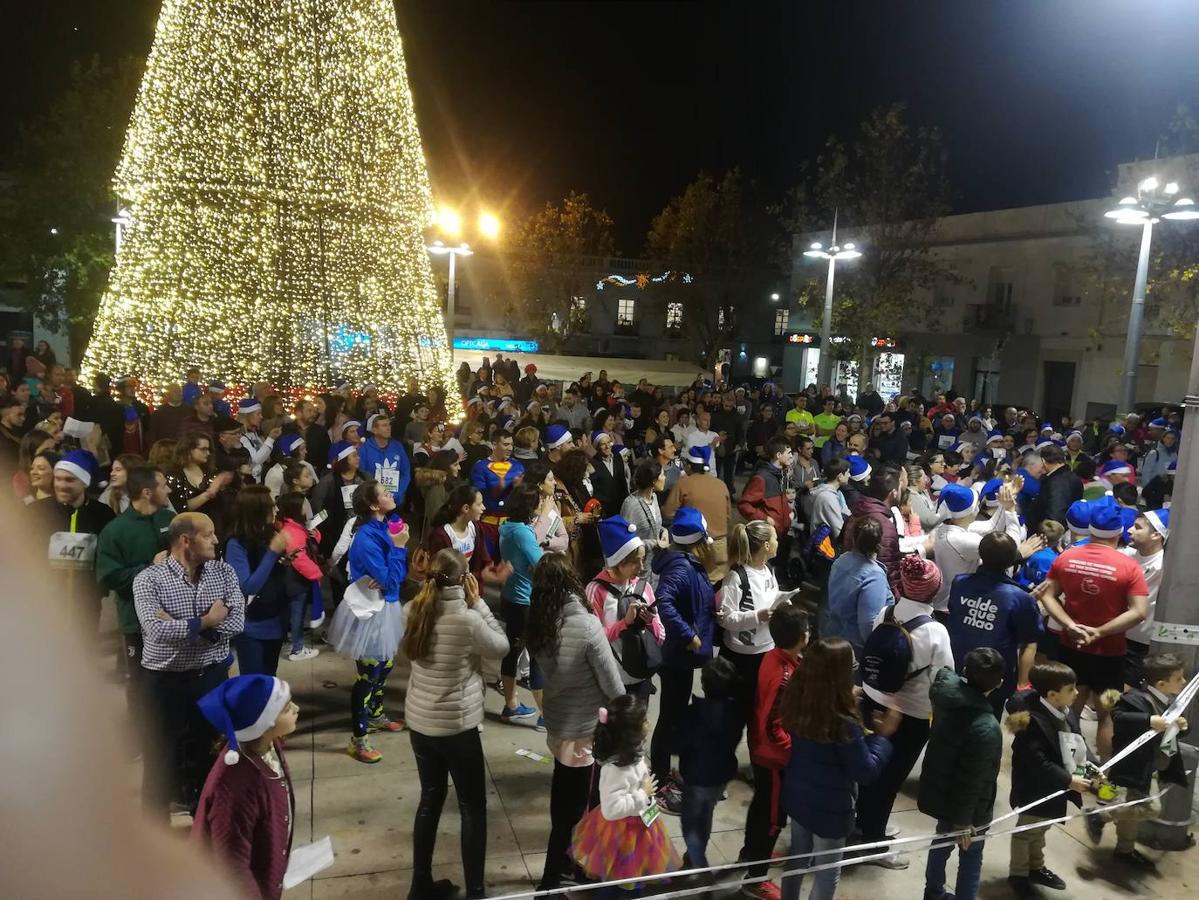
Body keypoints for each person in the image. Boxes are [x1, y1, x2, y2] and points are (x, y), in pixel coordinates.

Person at [401, 550, 509, 900]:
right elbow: (501, 646)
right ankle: (475, 891)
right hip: (457, 727)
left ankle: (420, 884)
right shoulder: (467, 619)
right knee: (472, 807)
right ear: (465, 580)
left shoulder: (413, 610)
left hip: (421, 725)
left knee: (430, 799)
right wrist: (479, 604)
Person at [524, 552, 628, 892]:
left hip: (557, 723)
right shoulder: (586, 626)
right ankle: (555, 880)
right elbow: (613, 685)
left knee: (563, 801)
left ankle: (567, 869)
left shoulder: (540, 622)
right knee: (573, 811)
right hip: (584, 730)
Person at [135, 512, 246, 818]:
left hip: (210, 678)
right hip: (164, 683)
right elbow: (156, 631)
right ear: (186, 540)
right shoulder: (149, 579)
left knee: (211, 757)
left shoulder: (224, 572)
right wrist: (208, 621)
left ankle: (206, 827)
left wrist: (184, 625)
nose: (216, 540)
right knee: (159, 762)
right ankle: (154, 832)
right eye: (208, 534)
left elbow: (237, 622)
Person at [779, 637, 900, 900]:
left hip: (797, 795)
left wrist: (845, 699)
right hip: (831, 809)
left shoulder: (797, 699)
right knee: (827, 873)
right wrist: (883, 737)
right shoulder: (844, 722)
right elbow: (865, 772)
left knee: (797, 860)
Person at [856, 555, 955, 869]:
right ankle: (872, 842)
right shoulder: (936, 632)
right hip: (909, 716)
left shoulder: (885, 613)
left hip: (870, 701)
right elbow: (944, 679)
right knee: (889, 779)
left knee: (869, 770)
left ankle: (864, 823)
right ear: (935, 590)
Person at [1036, 501, 1149, 760]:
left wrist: (1070, 625)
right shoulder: (1128, 566)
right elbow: (1139, 611)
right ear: (1119, 531)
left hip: (1071, 644)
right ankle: (1104, 771)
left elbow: (1047, 595)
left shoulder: (1067, 557)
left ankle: (1064, 764)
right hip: (1109, 651)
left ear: (1091, 529)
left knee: (1068, 709)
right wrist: (1100, 632)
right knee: (1107, 715)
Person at [191, 675, 299, 900]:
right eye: (287, 708)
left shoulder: (268, 744)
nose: (296, 709)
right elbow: (232, 868)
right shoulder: (234, 788)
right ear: (265, 724)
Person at [324, 481, 410, 764]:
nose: (391, 494)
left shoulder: (388, 525)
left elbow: (398, 576)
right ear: (374, 505)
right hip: (369, 613)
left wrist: (396, 552)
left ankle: (375, 715)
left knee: (386, 665)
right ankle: (358, 739)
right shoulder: (365, 538)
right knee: (368, 675)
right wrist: (398, 548)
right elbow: (392, 579)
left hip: (387, 606)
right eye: (385, 494)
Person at [1085, 653, 1191, 868]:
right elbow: (1119, 718)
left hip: (1152, 764)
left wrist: (1181, 728)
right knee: (1150, 807)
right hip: (1135, 765)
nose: (1184, 681)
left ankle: (1125, 849)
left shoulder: (1170, 702)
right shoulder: (1135, 698)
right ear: (1161, 683)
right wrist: (1148, 720)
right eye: (1179, 678)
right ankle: (1100, 816)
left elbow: (1169, 734)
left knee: (1132, 806)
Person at [569, 694, 681, 897]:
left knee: (631, 880)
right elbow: (611, 809)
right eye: (644, 720)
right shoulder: (616, 770)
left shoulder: (632, 753)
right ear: (630, 733)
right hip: (623, 833)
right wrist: (642, 793)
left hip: (640, 824)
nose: (648, 723)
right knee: (618, 881)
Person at [918, 648, 1005, 900]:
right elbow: (972, 779)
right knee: (971, 855)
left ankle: (933, 892)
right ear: (999, 683)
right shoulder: (986, 727)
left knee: (941, 843)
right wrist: (964, 821)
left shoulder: (945, 697)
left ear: (965, 671)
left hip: (941, 789)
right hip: (970, 809)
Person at [1004, 662, 1095, 898]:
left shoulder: (1066, 712)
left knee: (1041, 828)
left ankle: (1036, 867)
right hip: (1035, 787)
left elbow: (1079, 742)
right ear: (1053, 695)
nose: (1077, 693)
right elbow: (1037, 761)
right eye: (1071, 689)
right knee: (1027, 831)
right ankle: (1019, 874)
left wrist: (1092, 768)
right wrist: (1068, 780)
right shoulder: (1031, 721)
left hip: (1056, 786)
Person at [649, 507, 718, 812]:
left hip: (683, 657)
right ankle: (659, 779)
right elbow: (663, 600)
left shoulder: (686, 562)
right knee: (669, 717)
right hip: (677, 656)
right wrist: (688, 634)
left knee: (674, 715)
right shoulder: (680, 566)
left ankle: (665, 772)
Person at [740, 605, 811, 899]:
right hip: (773, 759)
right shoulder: (784, 677)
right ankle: (756, 879)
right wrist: (793, 750)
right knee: (772, 819)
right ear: (802, 637)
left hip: (761, 751)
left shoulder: (774, 656)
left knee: (760, 807)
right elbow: (772, 725)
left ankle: (751, 854)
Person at [96, 465, 176, 713]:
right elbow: (110, 577)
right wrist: (149, 568)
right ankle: (141, 733)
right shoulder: (115, 531)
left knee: (175, 684)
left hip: (176, 618)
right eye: (163, 485)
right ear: (147, 492)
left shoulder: (171, 521)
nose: (169, 490)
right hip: (137, 623)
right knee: (142, 685)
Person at [946, 532, 1043, 716]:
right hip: (993, 678)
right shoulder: (1020, 598)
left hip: (958, 667)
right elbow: (1029, 642)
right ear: (1012, 560)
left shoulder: (960, 583)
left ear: (981, 553)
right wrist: (1023, 686)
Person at [718, 520, 791, 729]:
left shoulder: (768, 570)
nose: (778, 542)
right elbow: (725, 618)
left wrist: (782, 601)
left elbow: (770, 596)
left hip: (766, 651)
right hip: (741, 658)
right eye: (775, 538)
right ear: (766, 545)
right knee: (736, 714)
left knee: (760, 712)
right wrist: (757, 616)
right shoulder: (737, 577)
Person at [33, 450, 114, 629]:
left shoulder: (103, 514)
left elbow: (109, 556)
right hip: (44, 605)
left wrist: (98, 589)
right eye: (58, 479)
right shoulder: (35, 512)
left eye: (69, 480)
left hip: (87, 606)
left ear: (84, 482)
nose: (61, 485)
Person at [587, 517, 664, 701]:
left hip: (641, 676)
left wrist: (649, 622)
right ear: (619, 561)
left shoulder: (643, 588)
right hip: (610, 680)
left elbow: (661, 635)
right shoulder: (596, 590)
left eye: (642, 560)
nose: (642, 567)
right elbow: (591, 642)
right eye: (636, 562)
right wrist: (624, 623)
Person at [679, 657, 743, 872]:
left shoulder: (693, 714)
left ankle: (697, 863)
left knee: (690, 823)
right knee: (706, 815)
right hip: (720, 776)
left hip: (696, 777)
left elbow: (678, 743)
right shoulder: (736, 713)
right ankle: (695, 856)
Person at [929, 481, 1029, 619]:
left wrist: (1005, 502)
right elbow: (1007, 547)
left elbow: (992, 527)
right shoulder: (960, 540)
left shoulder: (950, 527)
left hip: (949, 599)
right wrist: (1011, 511)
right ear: (972, 510)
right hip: (951, 607)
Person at [224, 486, 293, 676]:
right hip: (251, 626)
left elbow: (268, 571)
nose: (276, 510)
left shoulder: (270, 534)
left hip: (276, 619)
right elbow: (248, 586)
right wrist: (272, 553)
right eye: (272, 506)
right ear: (257, 510)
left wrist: (282, 560)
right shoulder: (236, 544)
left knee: (270, 678)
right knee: (254, 682)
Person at [497, 483, 545, 725]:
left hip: (511, 596)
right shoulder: (522, 533)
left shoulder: (507, 526)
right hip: (525, 599)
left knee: (512, 652)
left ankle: (511, 704)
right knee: (537, 656)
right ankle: (546, 716)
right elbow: (542, 565)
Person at [824, 517, 891, 663]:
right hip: (855, 650)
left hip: (834, 636)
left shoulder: (841, 560)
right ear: (879, 543)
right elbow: (868, 625)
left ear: (854, 538)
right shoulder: (874, 576)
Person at [661, 445, 732, 582]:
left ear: (688, 466)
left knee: (693, 586)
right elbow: (727, 516)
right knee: (718, 587)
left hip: (694, 547)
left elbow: (668, 513)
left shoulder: (683, 484)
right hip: (720, 547)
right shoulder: (721, 484)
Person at [839, 462, 903, 598]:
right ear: (893, 493)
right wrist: (895, 598)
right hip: (871, 592)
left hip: (849, 584)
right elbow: (887, 567)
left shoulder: (858, 510)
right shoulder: (884, 525)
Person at [275, 491, 323, 662]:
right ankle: (297, 649)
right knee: (297, 613)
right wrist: (316, 573)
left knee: (294, 612)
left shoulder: (293, 526)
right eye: (304, 505)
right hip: (296, 580)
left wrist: (315, 535)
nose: (306, 507)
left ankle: (291, 642)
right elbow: (299, 558)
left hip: (295, 578)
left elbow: (308, 543)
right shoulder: (292, 531)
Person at [1123, 509, 1168, 689]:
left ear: (1156, 535)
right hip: (1116, 634)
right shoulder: (1126, 555)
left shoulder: (1164, 565)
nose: (1129, 530)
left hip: (1141, 643)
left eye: (1137, 527)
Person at [471, 433, 524, 560]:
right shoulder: (481, 467)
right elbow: (478, 495)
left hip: (512, 524)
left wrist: (519, 488)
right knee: (488, 562)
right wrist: (499, 489)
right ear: (494, 445)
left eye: (511, 444)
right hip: (488, 525)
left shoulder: (517, 466)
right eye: (506, 444)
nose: (510, 448)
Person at [738, 436, 794, 540]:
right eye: (789, 453)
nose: (791, 456)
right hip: (768, 536)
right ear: (778, 455)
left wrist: (789, 513)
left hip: (782, 535)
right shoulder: (761, 478)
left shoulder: (782, 475)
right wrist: (765, 519)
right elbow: (744, 505)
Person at [620, 459, 667, 580]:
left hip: (655, 566)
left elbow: (655, 525)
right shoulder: (631, 504)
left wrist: (664, 531)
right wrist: (654, 543)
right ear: (653, 481)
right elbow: (625, 540)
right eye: (662, 475)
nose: (665, 478)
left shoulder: (654, 497)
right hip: (638, 570)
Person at [1026, 444, 1083, 533]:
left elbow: (1055, 516)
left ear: (1043, 461)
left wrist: (1045, 535)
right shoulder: (1072, 476)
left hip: (1050, 534)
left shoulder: (1057, 482)